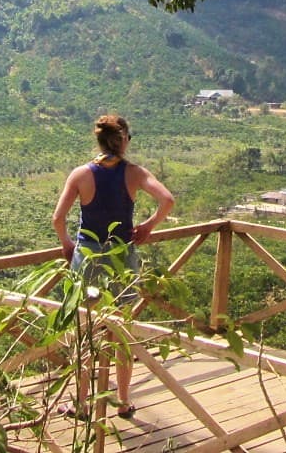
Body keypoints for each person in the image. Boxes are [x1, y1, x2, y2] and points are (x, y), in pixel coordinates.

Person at [50, 114, 175, 419]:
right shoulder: (134, 173)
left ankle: (81, 404)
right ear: (124, 141)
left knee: (85, 330)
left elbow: (57, 218)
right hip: (121, 256)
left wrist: (67, 244)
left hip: (87, 256)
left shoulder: (80, 174)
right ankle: (122, 401)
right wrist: (148, 226)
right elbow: (167, 200)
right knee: (120, 332)